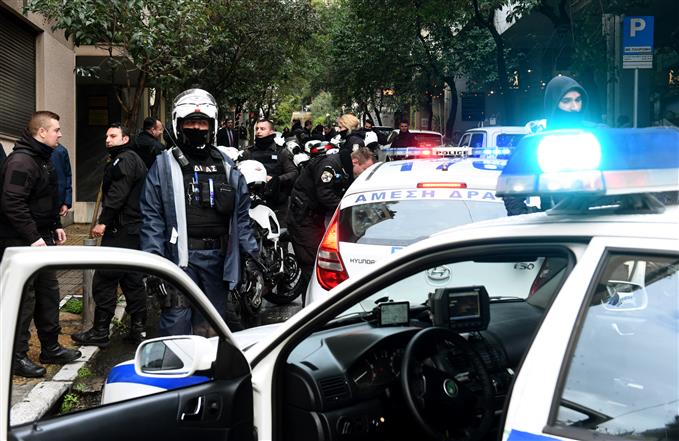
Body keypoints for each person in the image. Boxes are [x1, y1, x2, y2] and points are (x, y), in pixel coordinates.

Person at [140, 88, 259, 335]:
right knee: (177, 325)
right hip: (180, 261)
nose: (197, 128)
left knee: (214, 328)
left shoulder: (227, 166)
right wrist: (154, 265)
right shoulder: (163, 165)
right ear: (178, 125)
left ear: (211, 125)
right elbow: (152, 219)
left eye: (202, 123)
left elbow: (241, 218)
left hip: (219, 261)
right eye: (191, 122)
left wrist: (252, 259)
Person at [0, 111, 81, 378]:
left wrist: (56, 225)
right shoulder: (21, 162)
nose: (60, 134)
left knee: (48, 293)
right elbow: (12, 203)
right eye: (56, 130)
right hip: (21, 242)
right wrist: (33, 237)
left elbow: (47, 198)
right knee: (25, 299)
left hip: (40, 239)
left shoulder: (43, 158)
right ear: (41, 132)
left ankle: (50, 347)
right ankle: (16, 357)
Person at [71, 123, 148, 347]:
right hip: (131, 229)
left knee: (105, 279)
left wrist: (103, 221)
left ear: (125, 139)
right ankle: (138, 329)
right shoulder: (126, 159)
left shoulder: (125, 160)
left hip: (121, 229)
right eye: (107, 136)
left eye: (113, 136)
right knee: (131, 279)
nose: (107, 139)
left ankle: (100, 331)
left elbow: (118, 193)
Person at [287, 147, 375, 297]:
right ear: (355, 162)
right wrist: (347, 207)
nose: (364, 174)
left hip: (315, 218)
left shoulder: (345, 169)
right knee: (312, 263)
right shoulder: (330, 167)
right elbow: (325, 195)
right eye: (365, 169)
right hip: (303, 218)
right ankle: (311, 305)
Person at [506, 75, 590, 215]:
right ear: (553, 104)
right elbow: (511, 189)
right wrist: (527, 217)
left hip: (598, 218)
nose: (574, 107)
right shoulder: (537, 142)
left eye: (578, 100)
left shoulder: (596, 135)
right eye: (566, 101)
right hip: (555, 219)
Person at [241, 119, 297, 223]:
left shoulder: (281, 152)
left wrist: (276, 179)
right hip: (253, 202)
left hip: (277, 202)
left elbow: (293, 173)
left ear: (271, 131)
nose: (258, 131)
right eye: (257, 129)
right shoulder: (248, 152)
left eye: (262, 129)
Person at [336, 113, 367, 186]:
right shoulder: (349, 140)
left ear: (348, 126)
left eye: (340, 127)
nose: (339, 130)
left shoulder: (355, 141)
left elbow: (357, 166)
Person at [51, 143, 72, 217]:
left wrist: (66, 202)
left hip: (57, 203)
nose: (59, 136)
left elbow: (67, 176)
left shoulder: (61, 151)